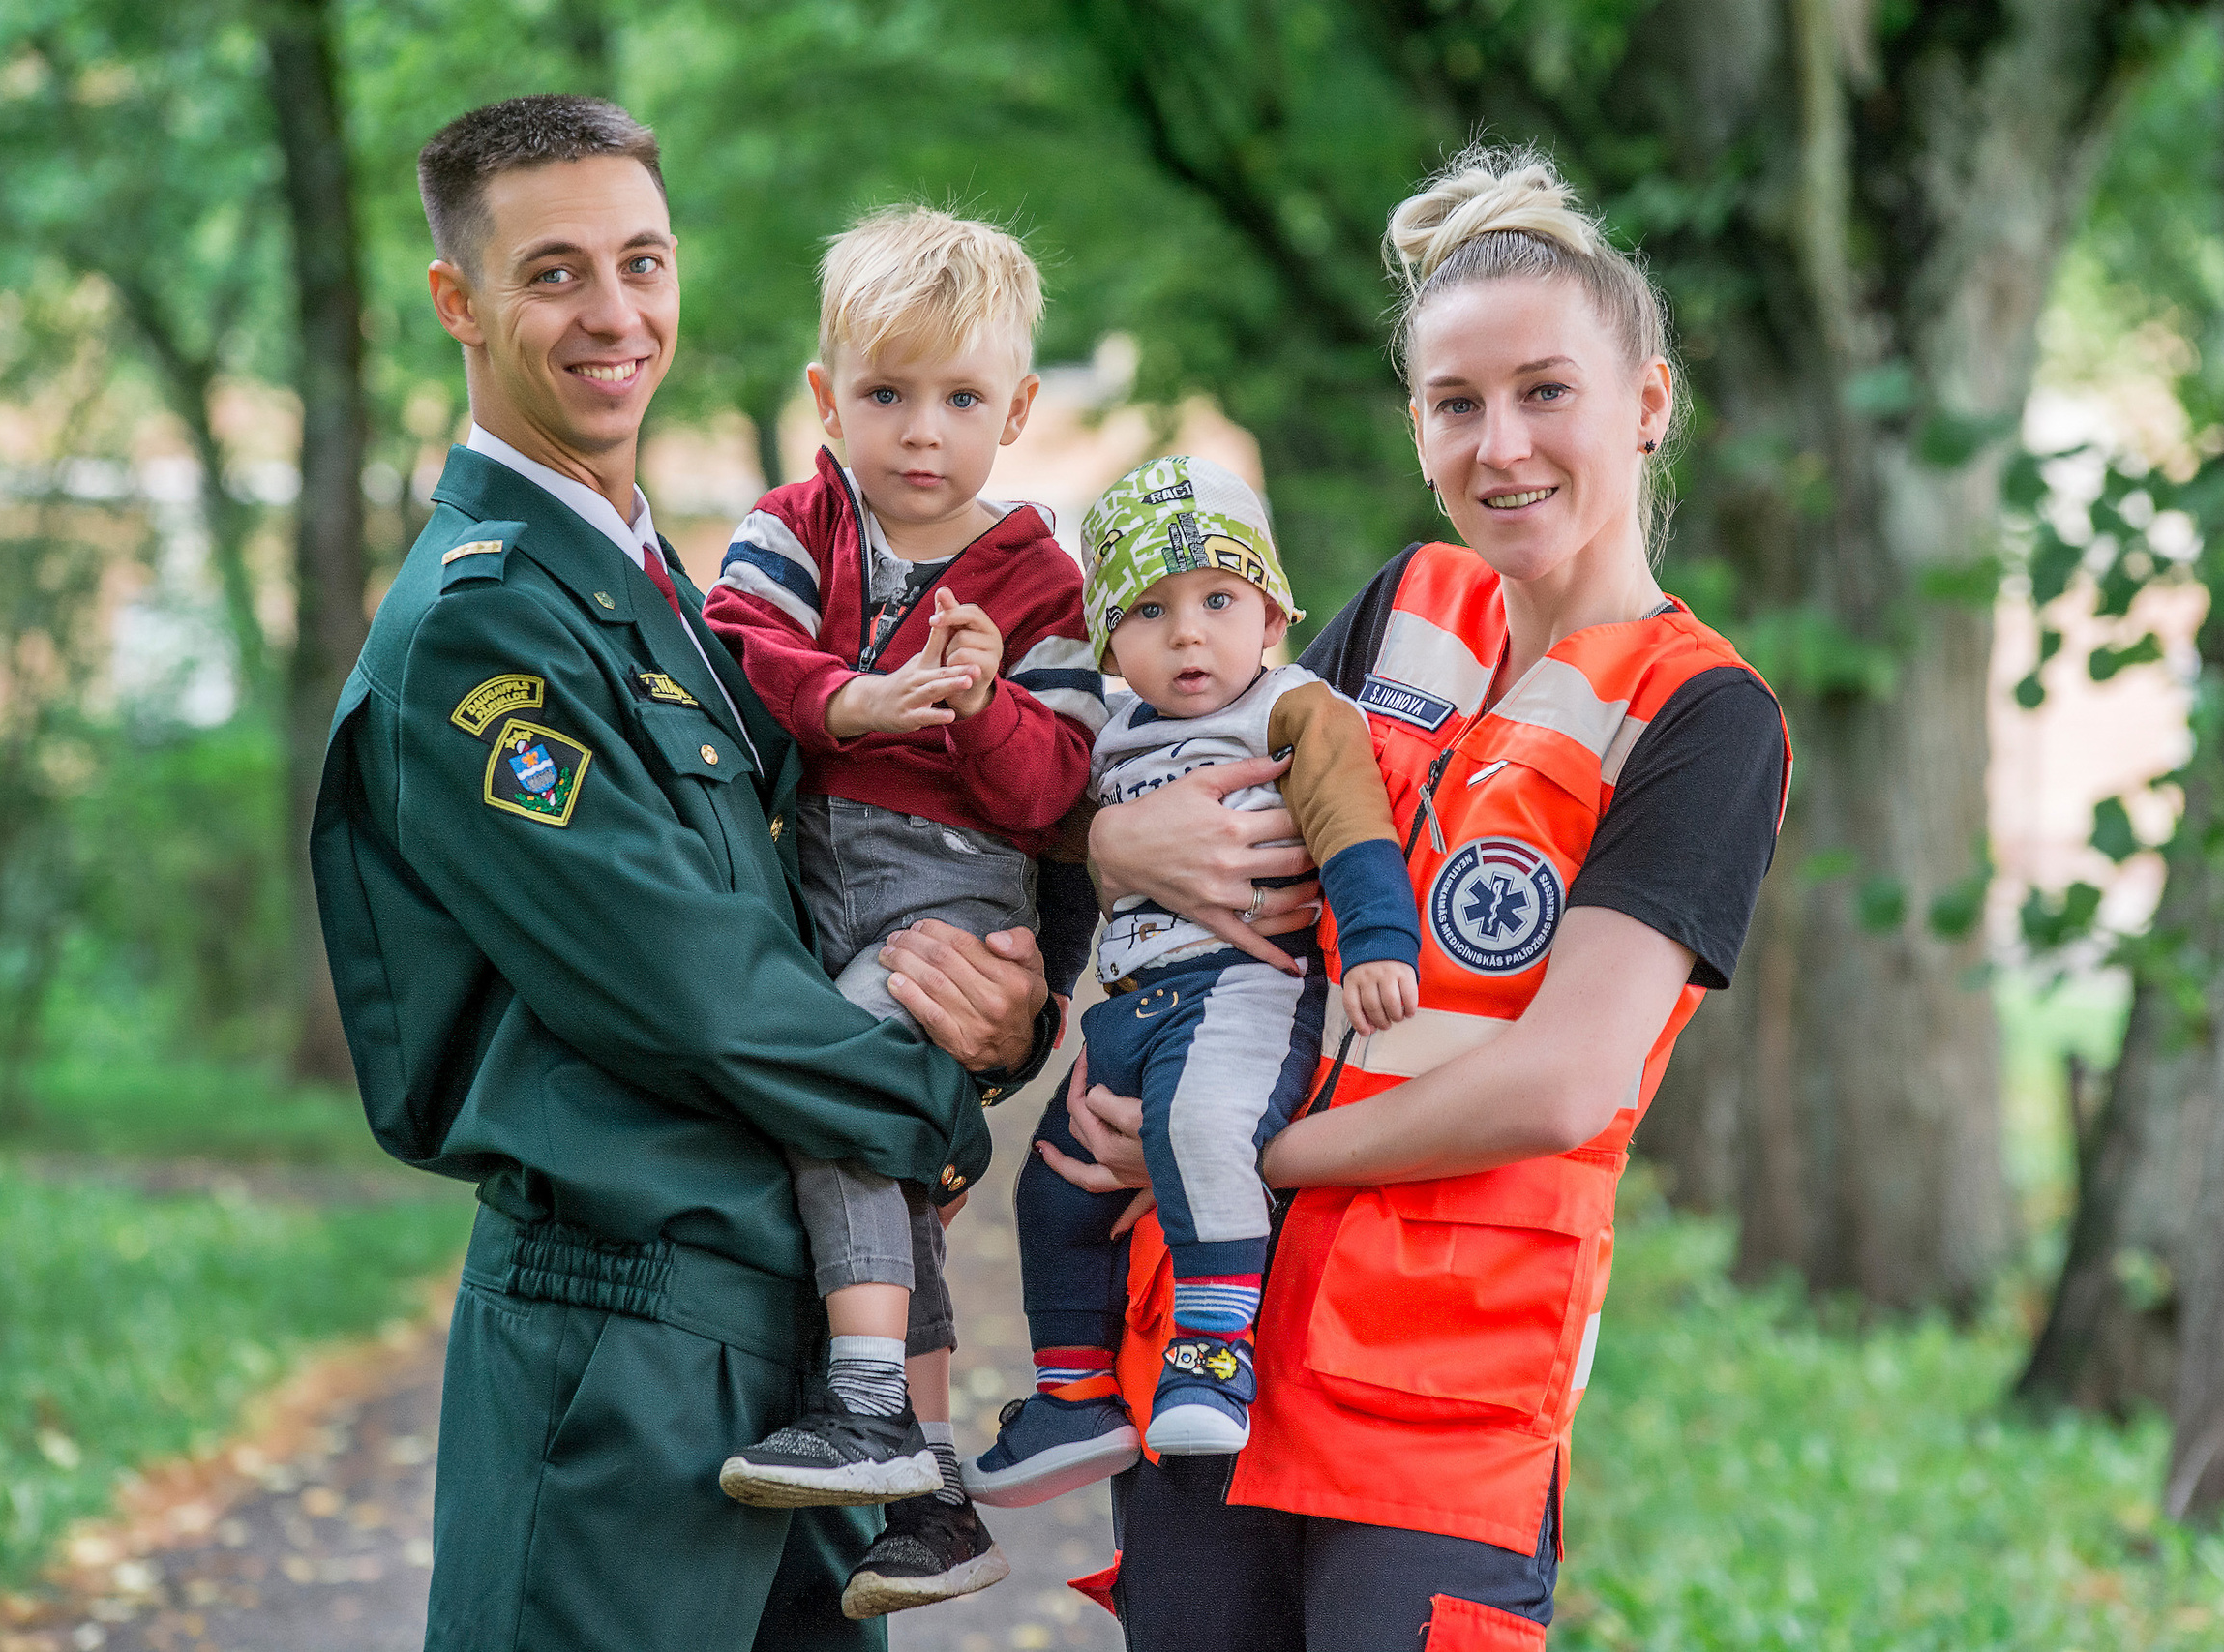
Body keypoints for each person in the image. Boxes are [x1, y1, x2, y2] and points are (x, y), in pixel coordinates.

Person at [308, 95, 1051, 1652]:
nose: (615, 313)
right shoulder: (483, 626)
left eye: (641, 261)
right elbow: (697, 989)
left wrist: (1000, 1011)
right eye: (555, 272)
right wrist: (927, 1113)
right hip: (621, 1336)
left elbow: (849, 880)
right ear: (459, 301)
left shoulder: (660, 583)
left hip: (788, 1339)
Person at [1036, 144, 1792, 1650]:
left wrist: (1252, 1143)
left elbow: (1566, 1076)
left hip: (1438, 1403)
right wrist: (1114, 855)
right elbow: (1181, 791)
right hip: (1216, 1343)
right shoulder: (1404, 607)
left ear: (1647, 403)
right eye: (1458, 403)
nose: (1501, 443)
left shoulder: (1705, 716)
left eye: (1546, 390)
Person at [699, 206, 1103, 1616]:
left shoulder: (1041, 581)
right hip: (821, 883)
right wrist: (845, 695)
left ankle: (866, 1397)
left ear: (1019, 409)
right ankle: (932, 1499)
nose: (920, 433)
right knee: (884, 1164)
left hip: (947, 891)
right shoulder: (800, 525)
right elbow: (733, 652)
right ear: (827, 396)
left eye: (961, 400)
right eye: (884, 394)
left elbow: (1059, 791)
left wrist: (985, 704)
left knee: (846, 1085)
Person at [964, 454, 1419, 1503]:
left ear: (1269, 613)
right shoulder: (1114, 736)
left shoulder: (1293, 711)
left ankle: (1214, 1354)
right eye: (1150, 611)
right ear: (1110, 640)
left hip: (1240, 987)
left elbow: (1350, 823)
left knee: (1203, 1130)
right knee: (1050, 1181)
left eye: (1220, 600)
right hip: (1129, 1010)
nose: (1187, 633)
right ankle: (1071, 1397)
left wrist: (1381, 940)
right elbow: (1057, 825)